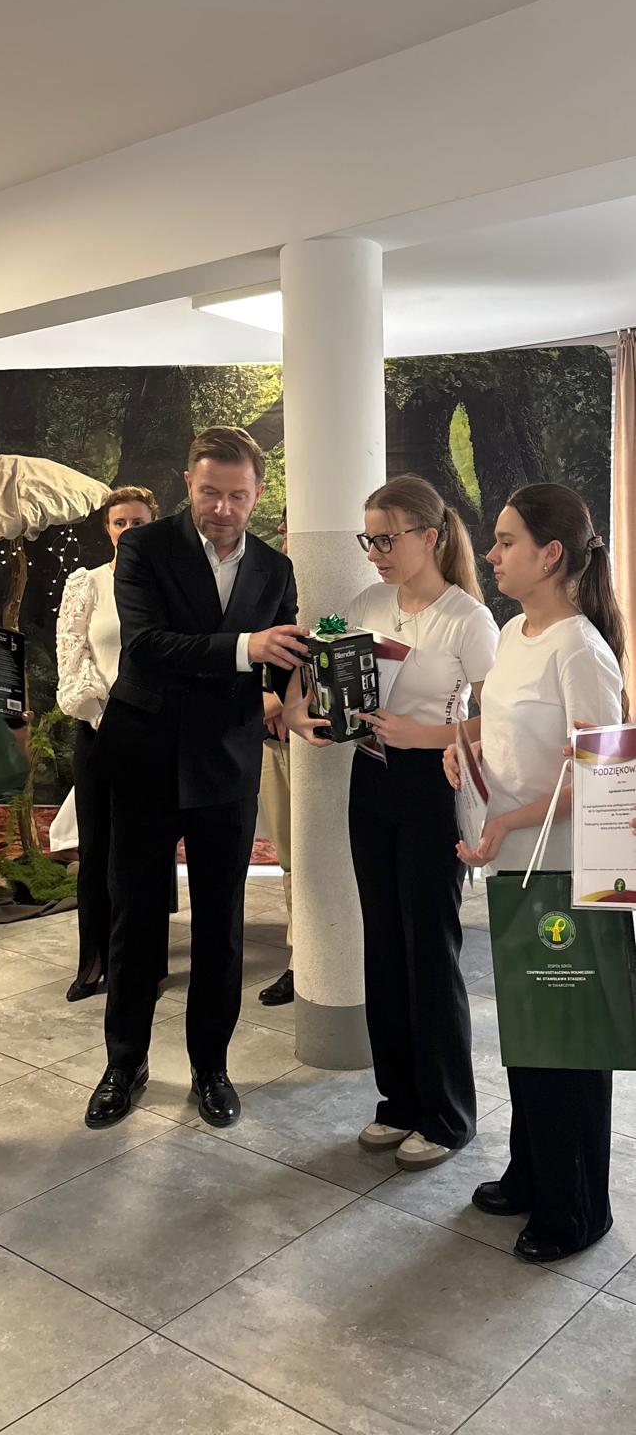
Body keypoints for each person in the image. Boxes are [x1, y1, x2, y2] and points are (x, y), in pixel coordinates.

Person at [85, 427, 305, 1130]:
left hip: (226, 761)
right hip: (143, 755)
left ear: (257, 494)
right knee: (136, 917)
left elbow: (286, 656)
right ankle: (124, 1064)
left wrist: (295, 700)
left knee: (221, 924)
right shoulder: (144, 548)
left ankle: (211, 1067)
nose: (222, 508)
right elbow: (147, 645)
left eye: (237, 496)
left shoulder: (274, 567)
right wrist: (247, 648)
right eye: (210, 492)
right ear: (188, 483)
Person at [286, 475, 499, 1170]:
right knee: (381, 942)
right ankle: (399, 1101)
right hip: (370, 778)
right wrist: (300, 714)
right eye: (368, 539)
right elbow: (312, 669)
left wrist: (426, 737)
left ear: (429, 537)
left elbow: (500, 720)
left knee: (428, 949)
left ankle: (447, 1114)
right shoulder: (367, 603)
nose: (374, 553)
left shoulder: (468, 618)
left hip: (433, 786)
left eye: (385, 539)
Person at [445, 482, 627, 1263]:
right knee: (529, 1035)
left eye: (506, 540)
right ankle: (531, 1175)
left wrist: (507, 821)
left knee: (568, 1045)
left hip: (568, 876)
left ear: (550, 555)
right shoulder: (516, 633)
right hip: (519, 869)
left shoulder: (581, 650)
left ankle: (576, 1209)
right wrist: (465, 750)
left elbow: (606, 778)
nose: (491, 553)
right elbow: (508, 731)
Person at [56, 485, 160, 1002]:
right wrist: (103, 713)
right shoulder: (88, 583)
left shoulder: (169, 584)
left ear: (153, 525)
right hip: (97, 728)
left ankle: (143, 964)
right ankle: (93, 960)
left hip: (154, 732)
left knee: (144, 854)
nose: (129, 531)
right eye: (121, 523)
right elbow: (72, 654)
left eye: (139, 522)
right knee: (96, 848)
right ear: (108, 529)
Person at [258, 509, 295, 1007]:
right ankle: (299, 957)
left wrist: (289, 703)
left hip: (323, 744)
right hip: (272, 742)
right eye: (285, 527)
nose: (288, 534)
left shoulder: (351, 581)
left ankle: (311, 958)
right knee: (291, 859)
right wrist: (264, 703)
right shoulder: (266, 575)